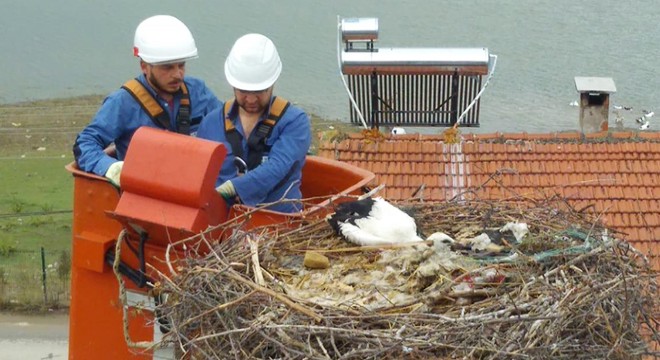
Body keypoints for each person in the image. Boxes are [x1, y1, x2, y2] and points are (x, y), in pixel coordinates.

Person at [73, 15, 222, 187]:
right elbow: (85, 143)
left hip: (194, 187)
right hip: (144, 194)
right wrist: (111, 168)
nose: (177, 74)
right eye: (167, 67)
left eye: (181, 65)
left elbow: (227, 125)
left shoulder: (198, 91)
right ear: (144, 66)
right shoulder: (123, 102)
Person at [196, 33, 311, 213]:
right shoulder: (211, 123)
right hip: (221, 222)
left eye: (259, 91)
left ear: (272, 83)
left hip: (277, 222)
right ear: (232, 84)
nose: (250, 99)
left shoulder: (294, 122)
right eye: (243, 91)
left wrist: (232, 188)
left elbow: (277, 167)